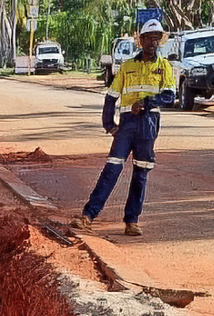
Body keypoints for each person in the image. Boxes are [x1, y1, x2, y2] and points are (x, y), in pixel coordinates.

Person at [72, 18, 176, 237]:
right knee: (112, 169)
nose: (153, 43)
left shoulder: (164, 66)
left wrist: (147, 102)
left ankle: (132, 221)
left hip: (148, 124)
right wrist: (110, 125)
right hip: (127, 123)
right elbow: (111, 97)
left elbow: (169, 96)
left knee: (141, 173)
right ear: (142, 40)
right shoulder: (127, 66)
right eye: (149, 39)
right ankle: (88, 216)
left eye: (157, 39)